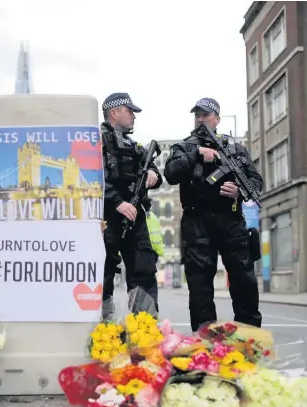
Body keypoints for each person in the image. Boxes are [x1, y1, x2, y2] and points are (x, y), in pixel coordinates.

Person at [164, 97, 263, 332]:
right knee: (200, 290)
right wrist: (196, 153)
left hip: (231, 220)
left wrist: (238, 191)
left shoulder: (235, 148)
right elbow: (170, 173)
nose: (200, 119)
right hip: (197, 222)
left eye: (205, 115)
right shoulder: (184, 147)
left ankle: (250, 341)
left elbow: (256, 180)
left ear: (217, 119)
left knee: (244, 283)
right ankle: (205, 345)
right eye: (197, 115)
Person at [101, 92, 163, 313]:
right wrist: (117, 202)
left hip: (135, 217)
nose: (134, 117)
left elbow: (154, 170)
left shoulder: (134, 146)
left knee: (143, 270)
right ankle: (101, 329)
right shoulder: (96, 141)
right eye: (130, 112)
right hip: (107, 218)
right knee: (103, 272)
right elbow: (89, 177)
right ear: (114, 113)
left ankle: (144, 328)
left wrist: (153, 176)